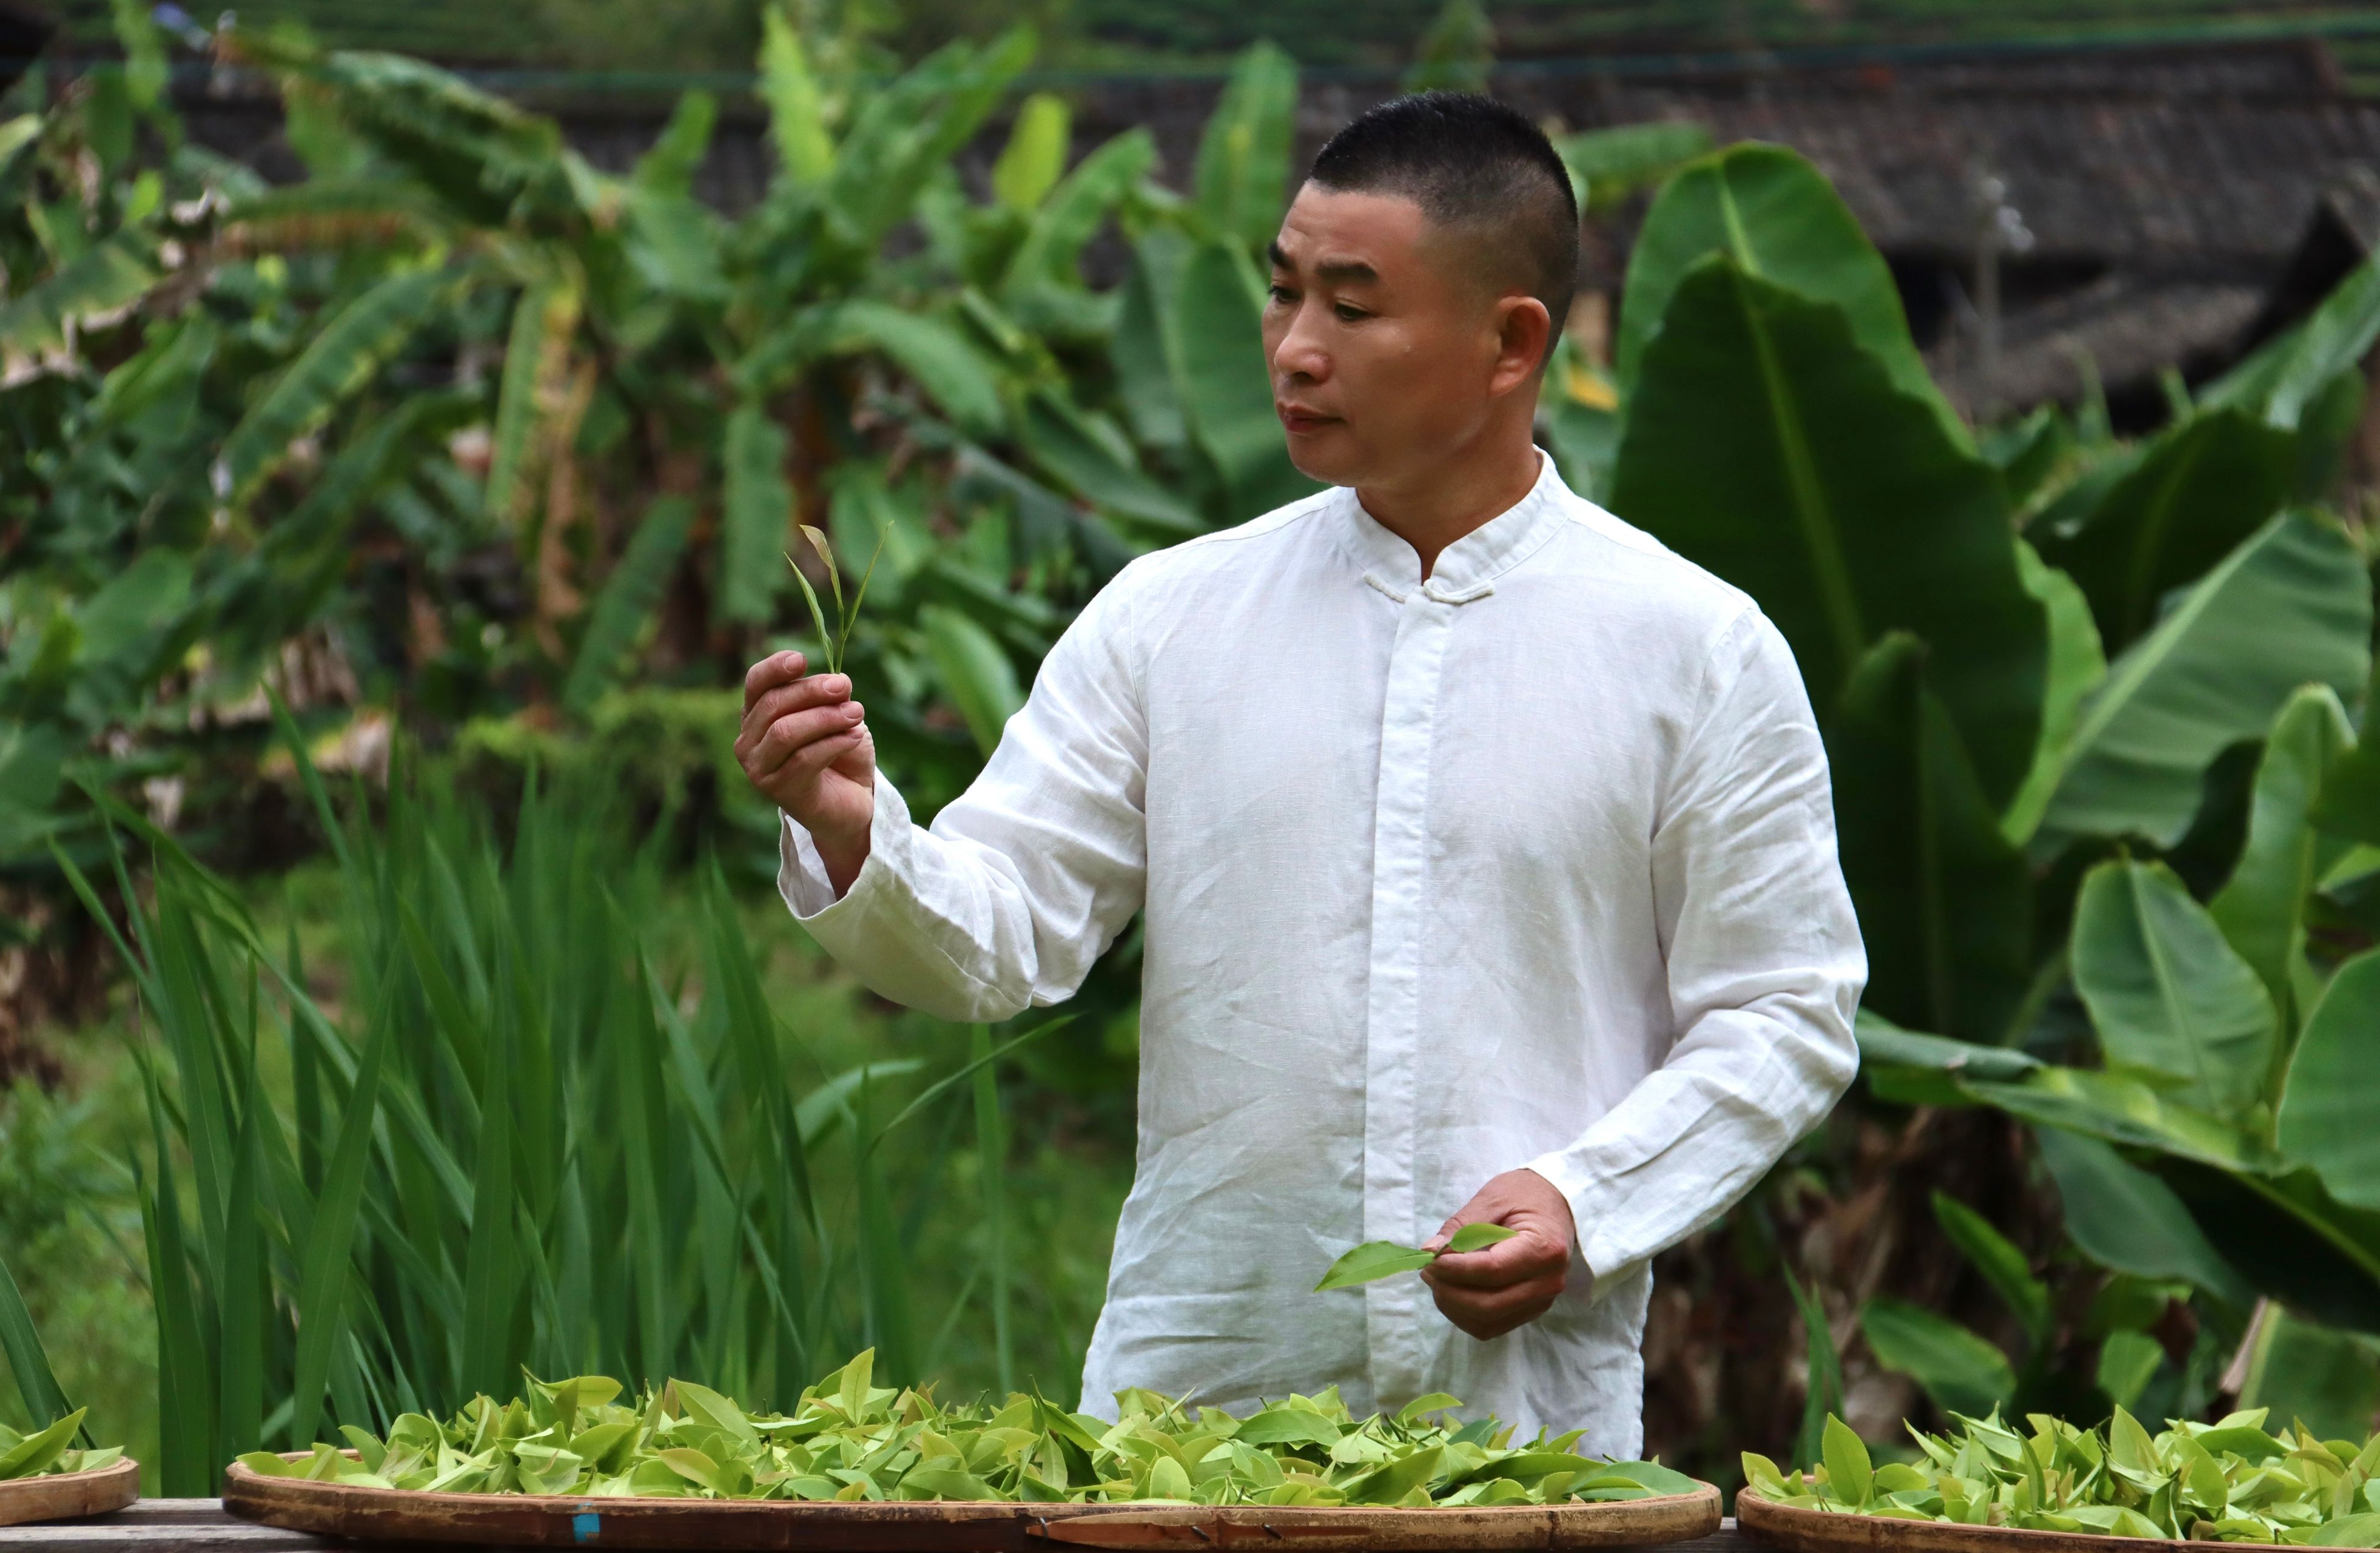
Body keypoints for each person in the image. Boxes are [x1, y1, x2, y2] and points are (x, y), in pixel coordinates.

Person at [734, 91, 1864, 1456]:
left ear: (1510, 342)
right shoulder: (1168, 618)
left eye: (1351, 306)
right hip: (1188, 1419)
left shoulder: (1693, 650)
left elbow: (1782, 1008)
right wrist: (858, 832)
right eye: (1281, 297)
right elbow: (1002, 934)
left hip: (1524, 1438)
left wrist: (1583, 1199)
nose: (1294, 349)